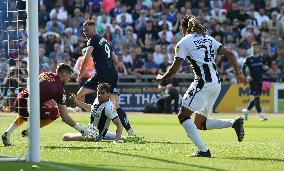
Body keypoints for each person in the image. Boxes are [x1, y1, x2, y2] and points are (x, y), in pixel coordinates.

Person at [156, 15, 248, 157]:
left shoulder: (183, 42)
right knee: (200, 123)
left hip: (203, 83)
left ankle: (204, 151)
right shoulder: (208, 39)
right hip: (216, 84)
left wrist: (162, 78)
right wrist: (238, 74)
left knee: (183, 116)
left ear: (183, 28)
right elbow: (230, 54)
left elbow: (175, 69)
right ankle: (234, 122)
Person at [2, 63, 94, 146]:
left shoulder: (46, 74)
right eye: (69, 77)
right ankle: (31, 131)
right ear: (64, 75)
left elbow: (46, 95)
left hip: (18, 101)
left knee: (25, 114)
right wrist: (81, 129)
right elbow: (64, 117)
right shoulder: (59, 89)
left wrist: (64, 108)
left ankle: (7, 133)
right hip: (30, 106)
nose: (69, 80)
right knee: (57, 113)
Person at [77, 20, 137, 136]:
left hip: (101, 74)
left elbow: (86, 58)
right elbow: (116, 60)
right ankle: (131, 132)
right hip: (112, 74)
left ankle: (91, 125)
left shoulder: (92, 40)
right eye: (84, 31)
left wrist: (80, 75)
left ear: (94, 30)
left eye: (87, 30)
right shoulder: (106, 42)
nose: (85, 33)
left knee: (80, 94)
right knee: (116, 106)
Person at [242, 42, 269, 121]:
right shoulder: (248, 59)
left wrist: (265, 67)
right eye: (253, 47)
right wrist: (247, 76)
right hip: (252, 81)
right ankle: (261, 115)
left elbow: (265, 67)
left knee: (255, 99)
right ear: (251, 48)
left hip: (260, 81)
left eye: (256, 47)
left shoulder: (261, 58)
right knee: (257, 98)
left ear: (258, 49)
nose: (255, 49)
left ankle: (246, 111)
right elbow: (243, 69)